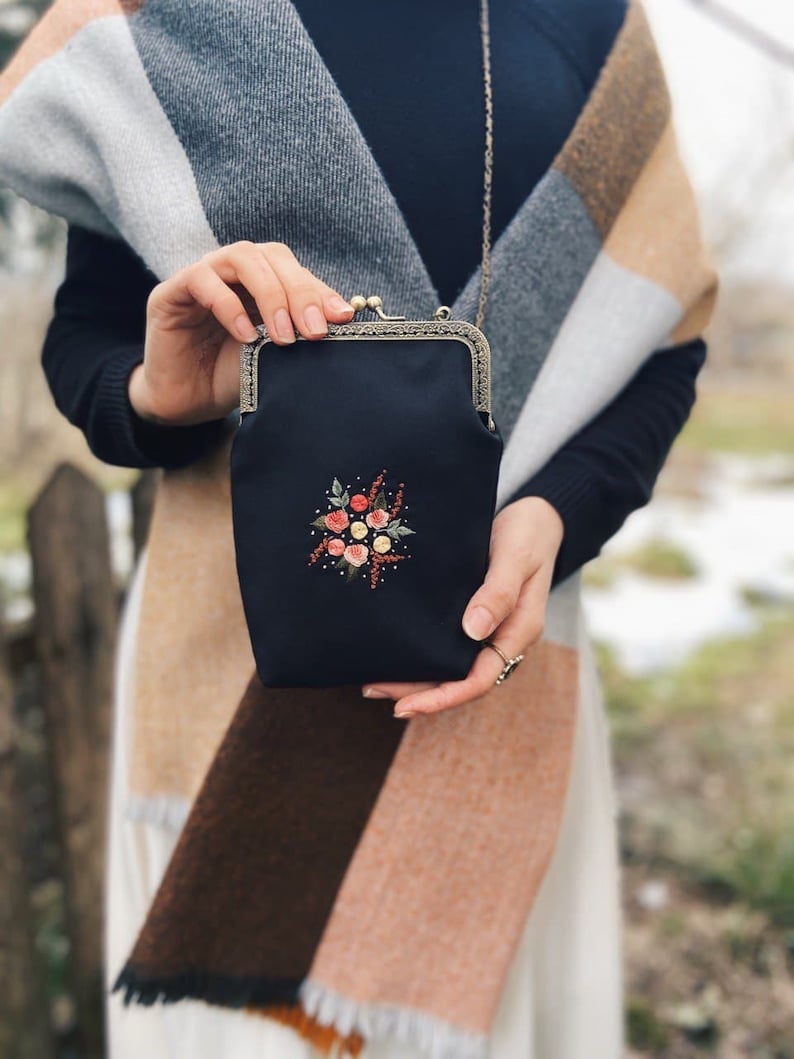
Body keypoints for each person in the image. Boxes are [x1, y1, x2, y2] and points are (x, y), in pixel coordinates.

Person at [19, 0, 713, 1056]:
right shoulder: (159, 16)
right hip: (221, 679)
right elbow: (90, 338)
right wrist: (158, 394)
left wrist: (555, 517)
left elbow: (663, 334)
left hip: (500, 663)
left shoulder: (594, 24)